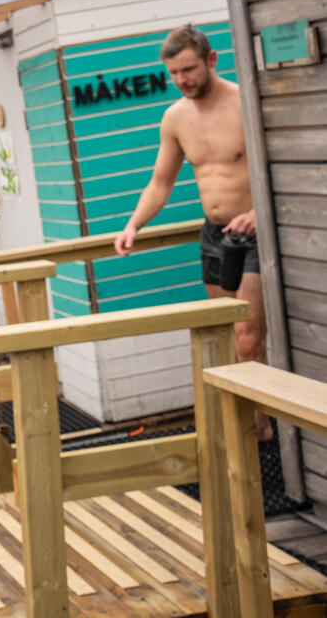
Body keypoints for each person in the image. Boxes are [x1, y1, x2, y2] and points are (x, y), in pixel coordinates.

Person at [113, 26, 269, 441]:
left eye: (189, 69)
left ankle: (260, 432)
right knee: (222, 335)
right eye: (175, 73)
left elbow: (277, 167)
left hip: (256, 234)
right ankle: (246, 429)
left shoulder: (245, 103)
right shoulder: (176, 117)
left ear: (211, 60)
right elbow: (160, 183)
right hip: (214, 235)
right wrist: (133, 225)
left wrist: (258, 213)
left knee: (248, 338)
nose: (183, 79)